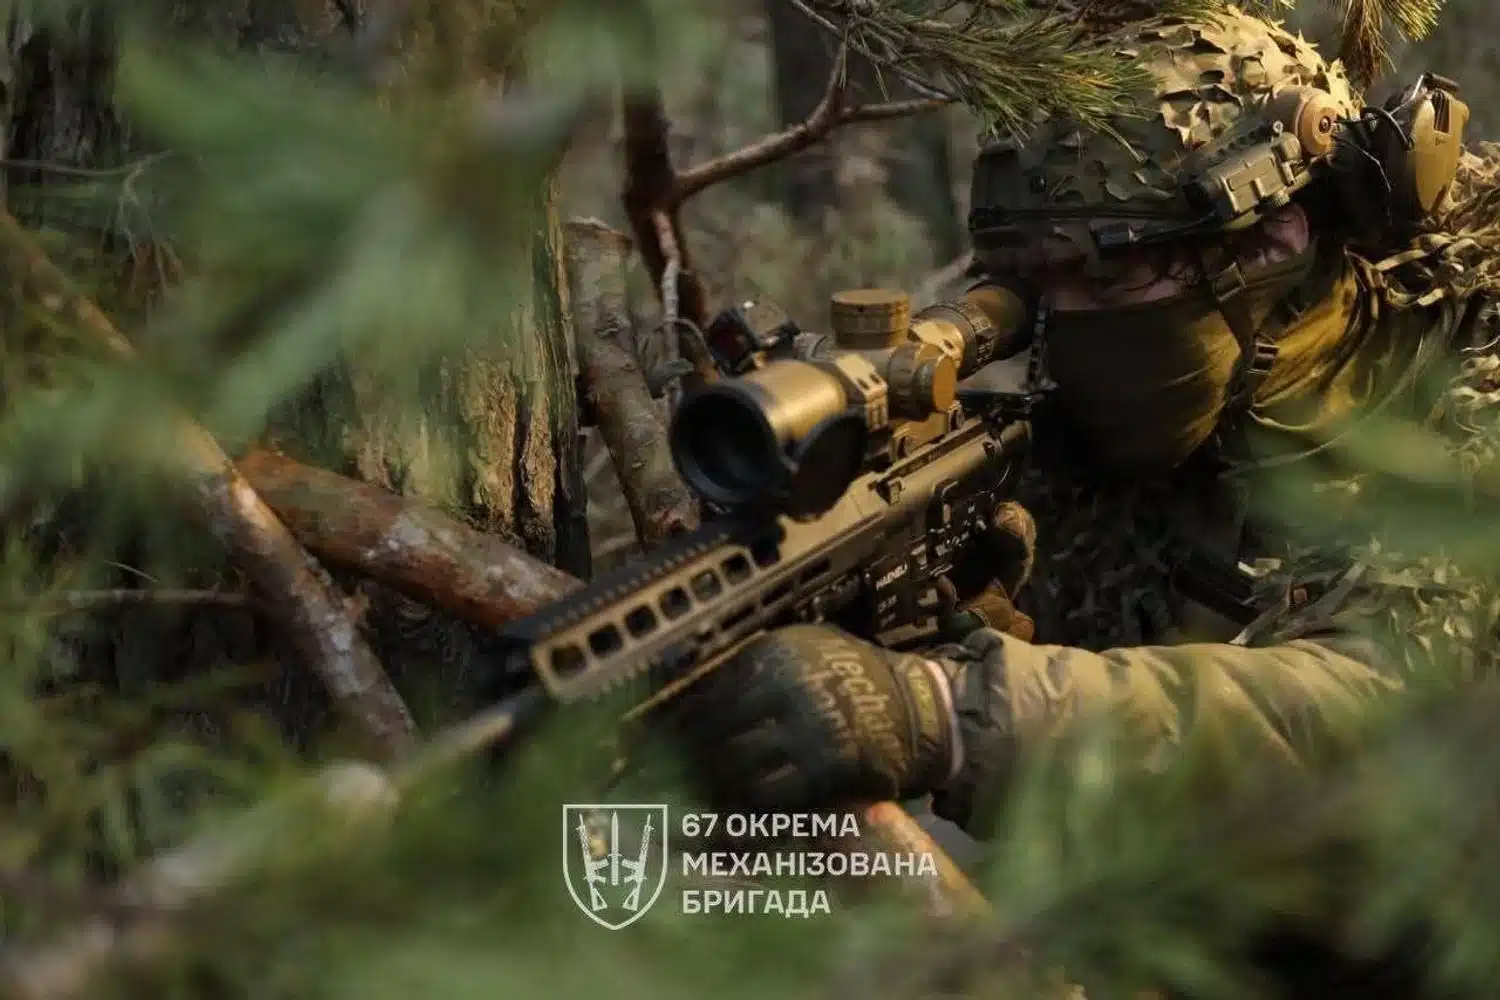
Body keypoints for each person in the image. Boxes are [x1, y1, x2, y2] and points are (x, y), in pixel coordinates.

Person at [670, 11, 1500, 844]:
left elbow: (1375, 713)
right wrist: (977, 620)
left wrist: (950, 713)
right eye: (1034, 288)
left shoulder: (1469, 390)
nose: (1066, 323)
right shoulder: (1108, 434)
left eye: (1107, 274)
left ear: (1271, 242)